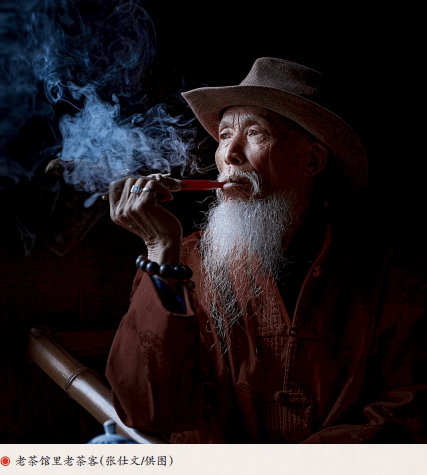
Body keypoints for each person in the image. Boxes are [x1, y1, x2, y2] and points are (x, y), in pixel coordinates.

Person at [105, 58, 427, 443]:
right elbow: (147, 412)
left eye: (255, 132)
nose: (230, 154)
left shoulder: (389, 275)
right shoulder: (182, 263)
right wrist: (160, 247)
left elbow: (409, 410)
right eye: (225, 135)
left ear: (312, 159)